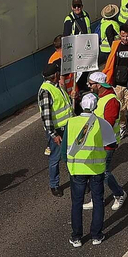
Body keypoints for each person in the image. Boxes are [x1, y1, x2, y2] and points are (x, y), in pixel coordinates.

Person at [63, 92, 109, 246]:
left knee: (77, 203)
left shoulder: (71, 123)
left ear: (81, 105)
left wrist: (68, 165)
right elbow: (111, 144)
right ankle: (96, 235)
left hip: (76, 169)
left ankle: (76, 237)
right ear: (95, 106)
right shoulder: (100, 123)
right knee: (98, 201)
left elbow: (64, 150)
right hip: (96, 169)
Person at [85, 73, 128, 209]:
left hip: (107, 144)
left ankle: (119, 193)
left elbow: (107, 125)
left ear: (99, 85)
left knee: (104, 173)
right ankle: (96, 198)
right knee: (94, 171)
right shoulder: (99, 97)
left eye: (90, 84)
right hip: (97, 142)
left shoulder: (111, 101)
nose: (88, 86)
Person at [39, 63, 73, 193]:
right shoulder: (46, 91)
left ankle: (76, 180)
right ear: (54, 76)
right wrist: (54, 135)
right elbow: (46, 117)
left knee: (71, 155)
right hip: (58, 131)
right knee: (55, 158)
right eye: (58, 73)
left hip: (68, 127)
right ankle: (54, 185)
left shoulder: (56, 86)